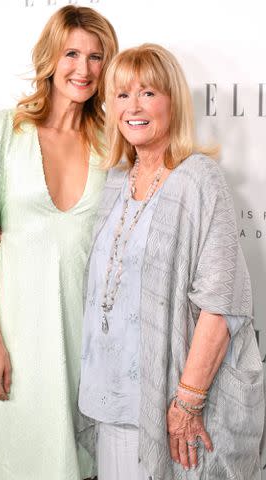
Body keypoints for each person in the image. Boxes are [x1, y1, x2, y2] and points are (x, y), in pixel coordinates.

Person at [77, 44, 265, 480]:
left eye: (148, 93)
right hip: (111, 404)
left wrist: (187, 402)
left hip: (169, 410)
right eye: (122, 96)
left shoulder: (199, 179)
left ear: (173, 102)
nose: (133, 107)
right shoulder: (116, 182)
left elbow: (222, 303)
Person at [0, 6, 118, 480]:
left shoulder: (112, 144)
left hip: (89, 347)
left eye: (96, 56)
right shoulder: (0, 133)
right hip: (19, 346)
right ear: (51, 57)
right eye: (72, 53)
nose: (83, 69)